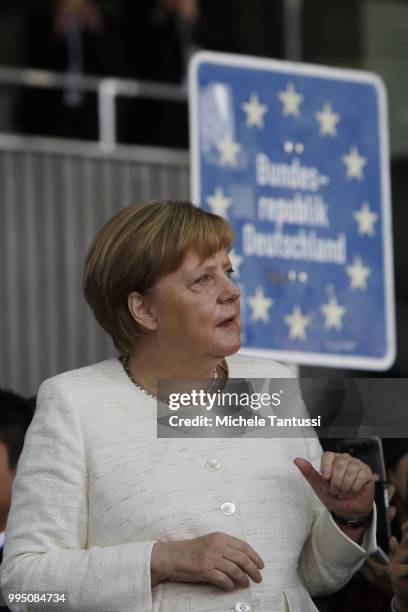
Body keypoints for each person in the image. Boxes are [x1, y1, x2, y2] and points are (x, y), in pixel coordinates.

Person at [0, 200, 377, 611]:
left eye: (228, 272)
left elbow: (311, 576)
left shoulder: (274, 381)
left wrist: (348, 517)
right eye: (202, 279)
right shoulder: (74, 402)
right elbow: (22, 588)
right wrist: (162, 560)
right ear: (143, 309)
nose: (232, 292)